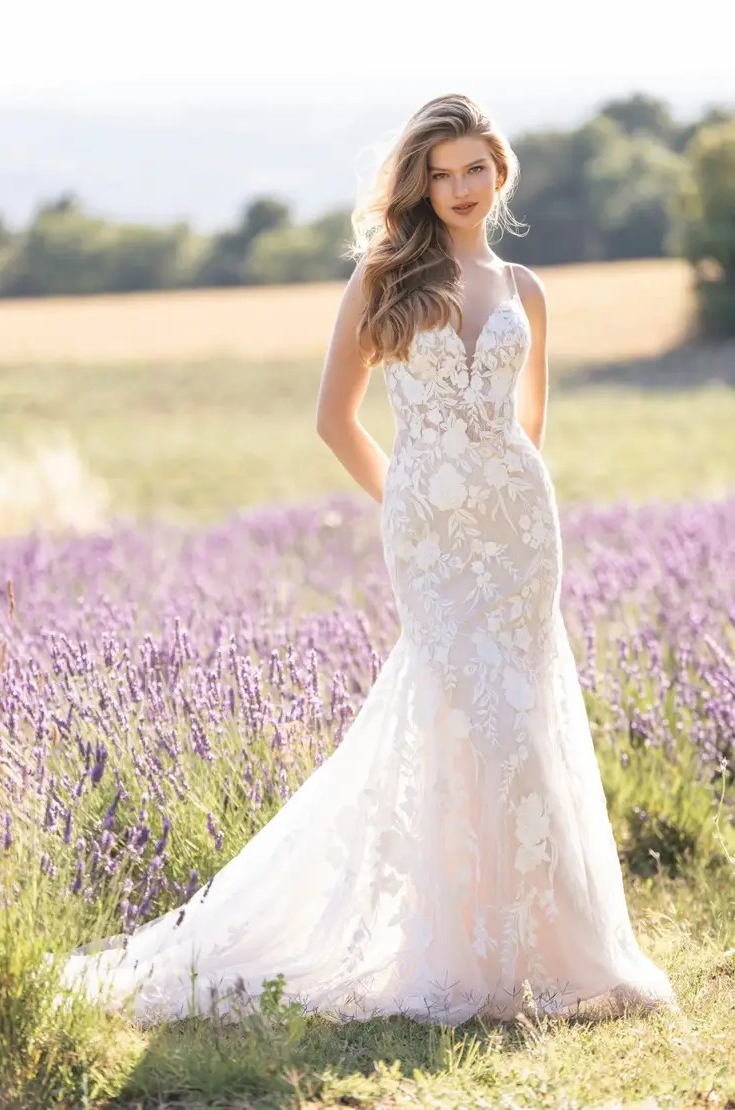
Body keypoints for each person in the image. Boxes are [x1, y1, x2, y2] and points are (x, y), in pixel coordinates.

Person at [58, 92, 677, 1027]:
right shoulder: (384, 278)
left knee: (523, 720)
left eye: (477, 168)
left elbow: (528, 424)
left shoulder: (526, 289)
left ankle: (548, 953)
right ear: (419, 182)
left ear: (500, 173)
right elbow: (333, 419)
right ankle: (466, 957)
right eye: (443, 172)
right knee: (462, 718)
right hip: (428, 539)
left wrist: (507, 500)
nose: (462, 188)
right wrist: (413, 501)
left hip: (520, 535)